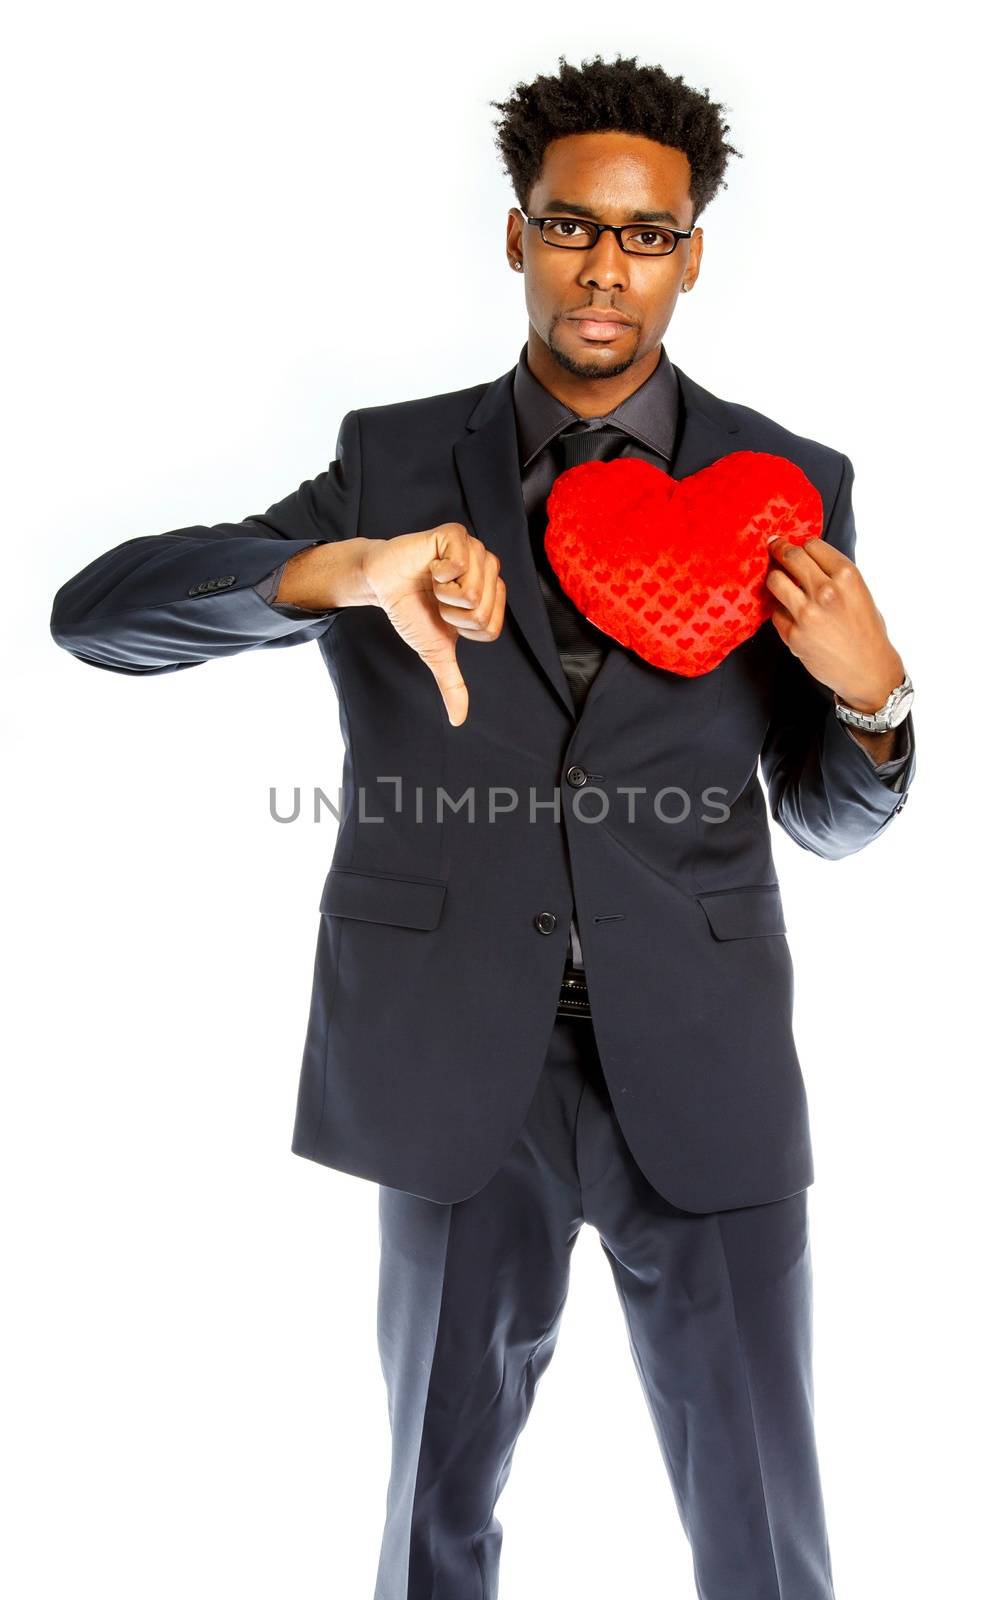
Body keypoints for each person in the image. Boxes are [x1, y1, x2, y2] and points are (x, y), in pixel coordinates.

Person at [50, 51, 916, 1600]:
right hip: (458, 1068)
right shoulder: (391, 465)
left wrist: (876, 701)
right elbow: (97, 619)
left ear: (693, 252)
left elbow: (831, 822)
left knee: (768, 1534)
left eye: (646, 234)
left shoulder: (791, 485)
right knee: (430, 1518)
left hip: (702, 1061)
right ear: (515, 236)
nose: (605, 266)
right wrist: (340, 572)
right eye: (572, 225)